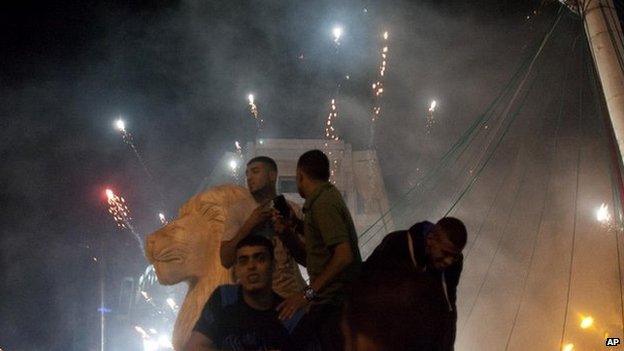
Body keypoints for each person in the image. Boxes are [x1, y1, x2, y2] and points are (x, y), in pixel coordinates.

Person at [274, 149, 362, 351]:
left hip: (333, 304)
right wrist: (293, 227)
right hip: (329, 302)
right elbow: (317, 258)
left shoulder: (323, 203)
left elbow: (343, 256)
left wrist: (306, 294)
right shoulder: (323, 201)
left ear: (300, 175)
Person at [362, 217, 467, 351]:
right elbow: (366, 287)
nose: (449, 261)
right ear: (430, 239)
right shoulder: (396, 245)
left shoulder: (452, 266)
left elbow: (447, 308)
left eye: (454, 256)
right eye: (445, 253)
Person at [185, 235, 304, 351]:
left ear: (273, 266)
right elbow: (193, 347)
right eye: (243, 261)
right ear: (236, 270)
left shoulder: (288, 314)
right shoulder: (224, 297)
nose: (251, 266)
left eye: (260, 259)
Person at [220, 156, 305, 298]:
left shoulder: (292, 209)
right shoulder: (238, 210)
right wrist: (249, 225)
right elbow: (225, 259)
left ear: (272, 175)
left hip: (290, 299)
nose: (249, 178)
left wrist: (287, 234)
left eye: (255, 171)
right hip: (254, 301)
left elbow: (307, 260)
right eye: (247, 174)